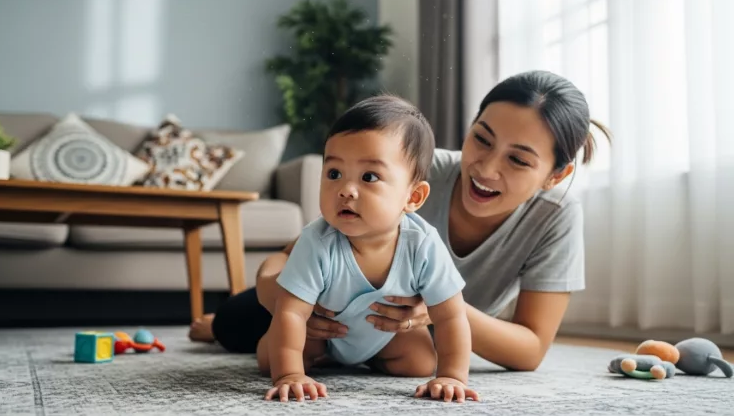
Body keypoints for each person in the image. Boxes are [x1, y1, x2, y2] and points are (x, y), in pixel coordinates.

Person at [190, 69, 611, 375]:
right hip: (325, 300)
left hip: (412, 333)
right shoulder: (411, 171)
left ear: (555, 175)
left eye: (518, 160)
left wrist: (438, 308)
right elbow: (288, 257)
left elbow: (531, 348)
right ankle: (216, 325)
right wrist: (277, 297)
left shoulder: (554, 217)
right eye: (481, 138)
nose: (485, 168)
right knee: (235, 323)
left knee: (416, 359)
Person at [258, 95, 479, 403]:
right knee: (270, 357)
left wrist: (452, 376)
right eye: (334, 173)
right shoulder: (317, 241)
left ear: (413, 197)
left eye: (369, 177)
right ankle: (317, 359)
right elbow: (292, 313)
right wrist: (289, 374)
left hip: (382, 337)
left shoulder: (423, 244)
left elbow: (451, 316)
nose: (346, 190)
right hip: (319, 333)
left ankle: (373, 358)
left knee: (420, 363)